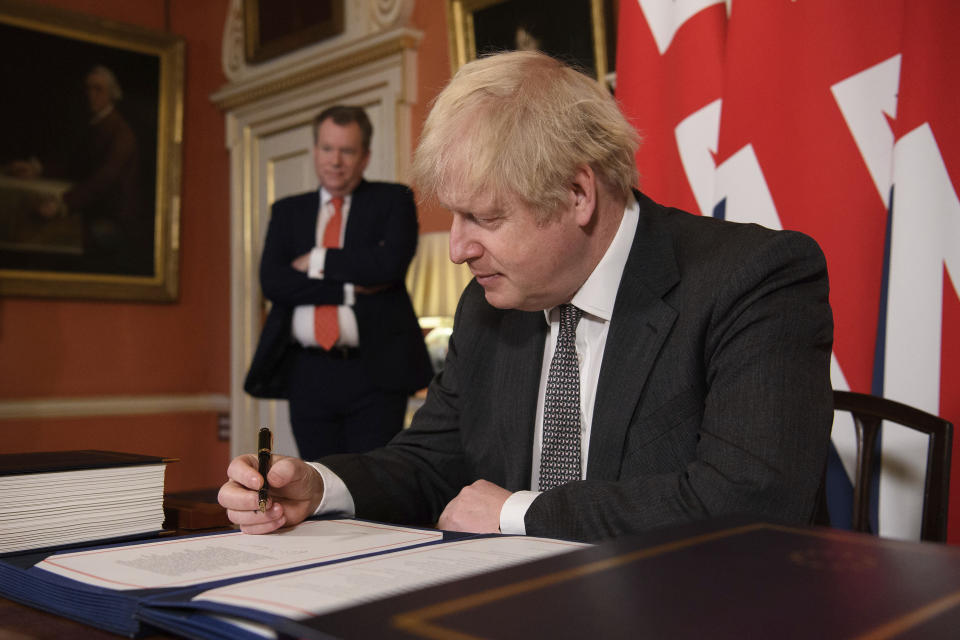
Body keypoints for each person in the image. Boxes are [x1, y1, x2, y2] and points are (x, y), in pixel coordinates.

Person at [221, 51, 834, 543]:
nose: (458, 249)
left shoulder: (754, 278)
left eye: (482, 217)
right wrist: (319, 485)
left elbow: (751, 502)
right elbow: (433, 459)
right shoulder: (489, 305)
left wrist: (520, 513)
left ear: (576, 194)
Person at [243, 105, 433, 459]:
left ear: (365, 157)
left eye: (347, 151)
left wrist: (317, 260)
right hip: (307, 373)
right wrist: (348, 287)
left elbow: (386, 268)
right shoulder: (287, 212)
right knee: (316, 484)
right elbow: (274, 283)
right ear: (315, 152)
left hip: (375, 373)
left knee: (372, 485)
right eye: (328, 149)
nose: (335, 161)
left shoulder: (393, 200)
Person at [2, 65, 145, 273]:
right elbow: (74, 165)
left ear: (113, 94)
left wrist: (63, 204)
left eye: (98, 89)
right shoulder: (96, 125)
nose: (91, 95)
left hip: (113, 221)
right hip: (90, 209)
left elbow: (103, 180)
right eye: (88, 89)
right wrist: (37, 169)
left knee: (47, 239)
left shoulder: (122, 134)